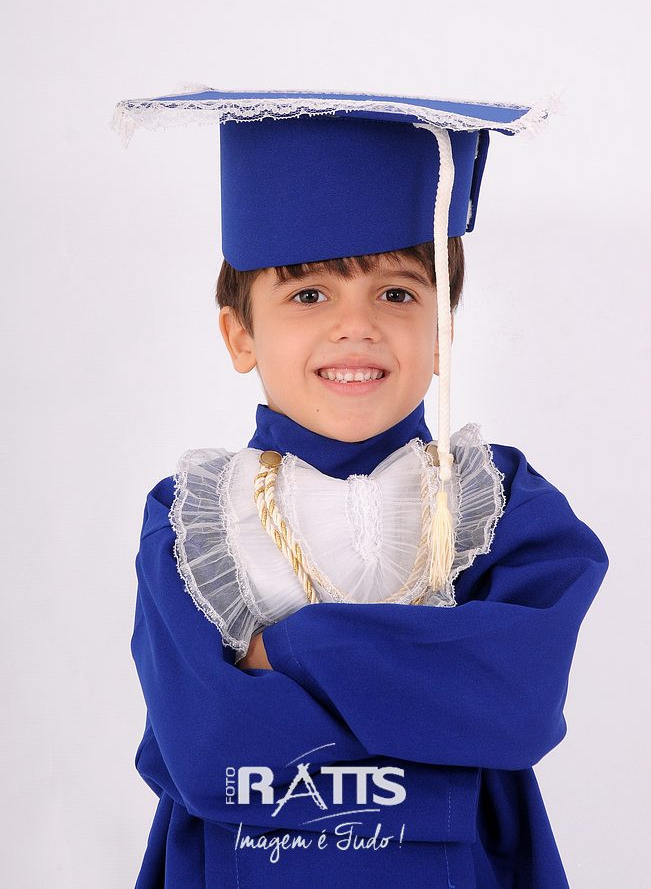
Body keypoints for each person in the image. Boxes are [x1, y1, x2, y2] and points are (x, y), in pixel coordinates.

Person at [114, 87, 609, 887]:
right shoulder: (191, 518)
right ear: (240, 335)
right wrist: (431, 730)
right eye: (307, 294)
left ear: (442, 332)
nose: (356, 325)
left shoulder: (499, 502)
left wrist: (284, 651)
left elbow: (516, 703)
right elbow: (206, 752)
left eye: (397, 293)